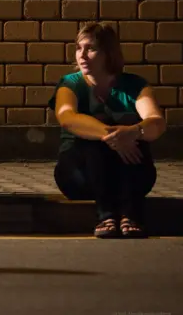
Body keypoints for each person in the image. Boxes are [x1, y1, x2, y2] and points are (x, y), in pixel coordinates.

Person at [49, 22, 167, 239]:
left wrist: (132, 133)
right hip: (79, 176)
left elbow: (156, 122)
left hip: (129, 177)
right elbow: (67, 117)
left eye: (91, 49)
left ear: (108, 53)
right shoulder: (70, 83)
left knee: (136, 136)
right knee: (95, 141)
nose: (82, 55)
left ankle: (130, 215)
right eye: (78, 48)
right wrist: (111, 136)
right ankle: (106, 215)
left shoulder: (134, 84)